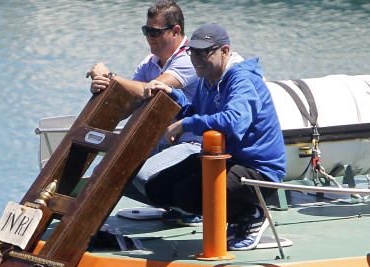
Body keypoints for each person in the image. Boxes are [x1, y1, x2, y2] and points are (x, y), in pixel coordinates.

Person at [139, 23, 286, 251]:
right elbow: (198, 112)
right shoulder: (206, 79)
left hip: (258, 169)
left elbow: (234, 121)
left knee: (190, 194)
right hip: (225, 158)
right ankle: (235, 212)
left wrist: (184, 125)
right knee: (158, 188)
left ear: (224, 51)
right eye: (193, 52)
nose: (197, 58)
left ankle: (252, 214)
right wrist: (173, 95)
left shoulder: (242, 80)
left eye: (204, 52)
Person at [86, 1, 198, 101]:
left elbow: (151, 90)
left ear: (175, 31)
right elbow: (128, 103)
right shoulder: (148, 62)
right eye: (146, 31)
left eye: (154, 32)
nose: (149, 37)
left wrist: (109, 76)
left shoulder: (189, 59)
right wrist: (102, 87)